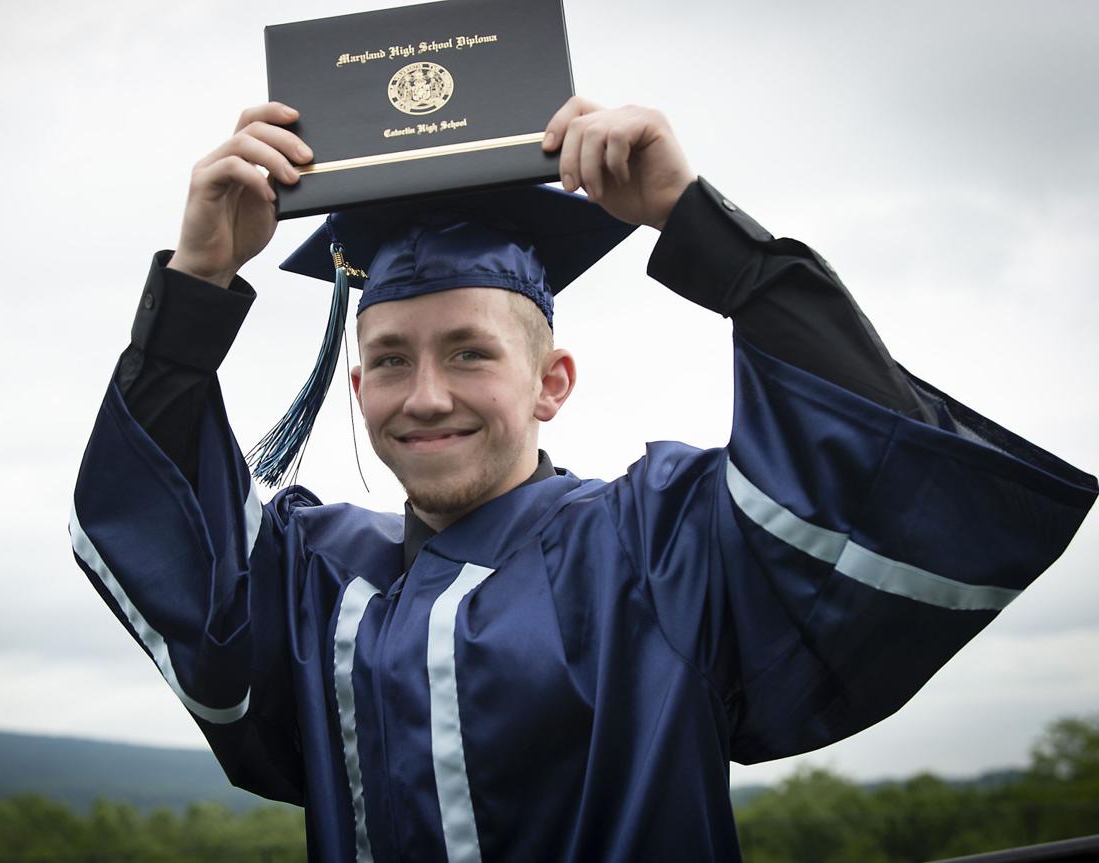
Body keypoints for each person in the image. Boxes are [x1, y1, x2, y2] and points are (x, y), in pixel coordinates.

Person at [70, 97, 1096, 862]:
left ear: (551, 381)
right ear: (357, 381)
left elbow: (877, 471)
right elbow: (161, 528)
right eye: (389, 358)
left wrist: (700, 226)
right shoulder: (313, 577)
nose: (425, 395)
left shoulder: (660, 544)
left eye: (471, 352)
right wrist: (198, 282)